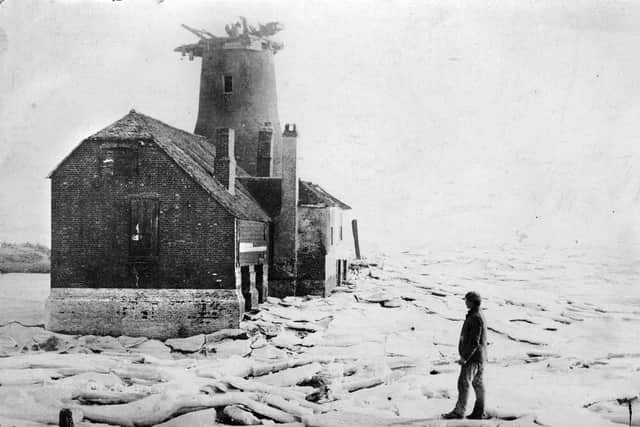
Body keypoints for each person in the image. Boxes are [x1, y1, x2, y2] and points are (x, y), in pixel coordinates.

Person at [442, 291, 488, 420]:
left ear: (472, 302)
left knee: (463, 383)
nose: (465, 302)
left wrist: (465, 357)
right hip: (480, 357)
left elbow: (474, 341)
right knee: (477, 383)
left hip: (473, 358)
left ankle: (459, 412)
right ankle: (479, 412)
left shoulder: (475, 317)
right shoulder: (478, 315)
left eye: (467, 300)